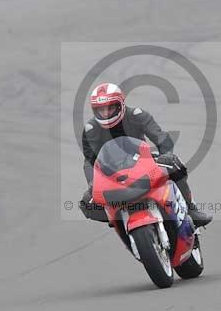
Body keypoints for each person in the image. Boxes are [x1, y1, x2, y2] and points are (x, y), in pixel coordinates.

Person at [78, 82, 213, 228]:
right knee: (87, 204)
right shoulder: (91, 129)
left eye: (110, 108)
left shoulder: (137, 115)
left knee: (175, 164)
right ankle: (117, 218)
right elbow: (89, 161)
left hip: (143, 162)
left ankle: (191, 210)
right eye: (101, 110)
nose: (105, 114)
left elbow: (161, 138)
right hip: (112, 173)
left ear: (120, 104)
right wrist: (92, 182)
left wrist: (166, 154)